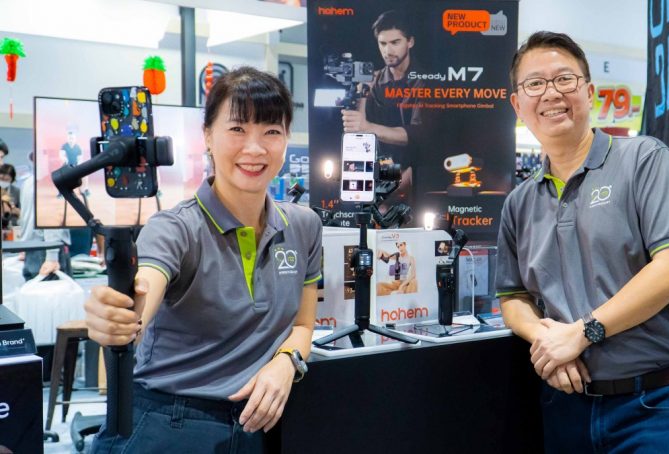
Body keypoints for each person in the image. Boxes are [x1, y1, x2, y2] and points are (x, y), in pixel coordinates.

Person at [86, 67, 323, 452]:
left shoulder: (304, 225)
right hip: (167, 422)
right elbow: (144, 292)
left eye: (271, 131)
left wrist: (287, 362)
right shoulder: (175, 228)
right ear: (208, 136)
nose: (255, 148)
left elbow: (303, 324)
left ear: (286, 138)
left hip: (257, 426)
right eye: (237, 129)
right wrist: (118, 317)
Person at [495, 31, 669, 453]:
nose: (551, 93)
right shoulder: (519, 202)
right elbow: (513, 297)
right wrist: (548, 342)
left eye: (564, 79)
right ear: (518, 105)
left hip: (657, 403)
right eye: (535, 84)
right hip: (567, 403)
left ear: (589, 92)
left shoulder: (645, 161)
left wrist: (583, 333)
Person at [341, 10, 425, 193]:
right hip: (383, 163)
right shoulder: (372, 81)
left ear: (410, 42)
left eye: (395, 42)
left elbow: (417, 135)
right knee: (377, 200)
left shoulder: (424, 81)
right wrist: (361, 96)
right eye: (383, 44)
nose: (388, 51)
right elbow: (357, 131)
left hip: (419, 168)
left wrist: (367, 127)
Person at [18, 158, 72, 279]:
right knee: (54, 290)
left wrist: (23, 246)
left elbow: (25, 218)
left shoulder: (28, 182)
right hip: (47, 249)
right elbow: (51, 219)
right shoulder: (49, 183)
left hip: (32, 248)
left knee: (35, 290)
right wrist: (52, 256)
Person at [0, 164, 20, 228]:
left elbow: (22, 212)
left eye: (7, 179)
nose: (3, 181)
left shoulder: (16, 191)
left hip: (13, 227)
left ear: (12, 179)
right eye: (1, 179)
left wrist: (14, 210)